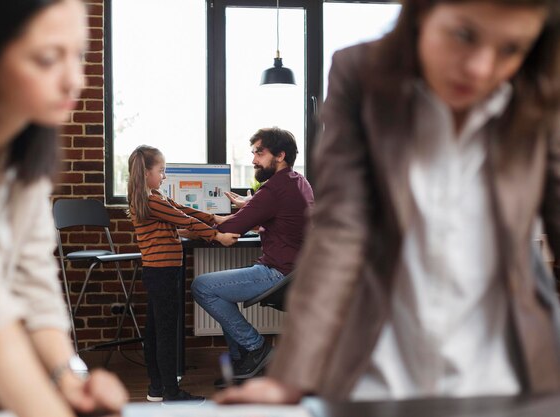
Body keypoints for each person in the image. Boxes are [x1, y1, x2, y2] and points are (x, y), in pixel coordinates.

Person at [217, 0, 560, 404]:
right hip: (384, 348)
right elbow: (340, 231)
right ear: (421, 14)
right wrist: (290, 378)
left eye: (511, 49)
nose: (482, 68)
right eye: (464, 35)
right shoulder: (361, 75)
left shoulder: (536, 81)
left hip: (510, 356)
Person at [0, 0, 128, 416]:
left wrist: (70, 380)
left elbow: (34, 281)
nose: (74, 81)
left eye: (79, 55)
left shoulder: (21, 162)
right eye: (46, 59)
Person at [191, 127, 314, 383]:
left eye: (260, 152)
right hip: (300, 272)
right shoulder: (298, 181)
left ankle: (256, 349)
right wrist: (250, 206)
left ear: (280, 155)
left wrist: (186, 227)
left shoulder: (272, 191)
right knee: (222, 290)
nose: (254, 159)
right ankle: (243, 362)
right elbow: (284, 215)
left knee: (203, 286)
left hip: (279, 273)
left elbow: (229, 228)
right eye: (253, 152)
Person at [127, 145, 239, 402]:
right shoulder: (152, 200)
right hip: (163, 273)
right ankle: (171, 392)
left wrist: (216, 219)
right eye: (161, 171)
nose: (164, 176)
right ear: (146, 173)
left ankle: (157, 388)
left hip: (158, 272)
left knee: (155, 330)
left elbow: (186, 211)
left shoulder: (153, 197)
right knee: (166, 333)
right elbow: (185, 221)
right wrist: (217, 235)